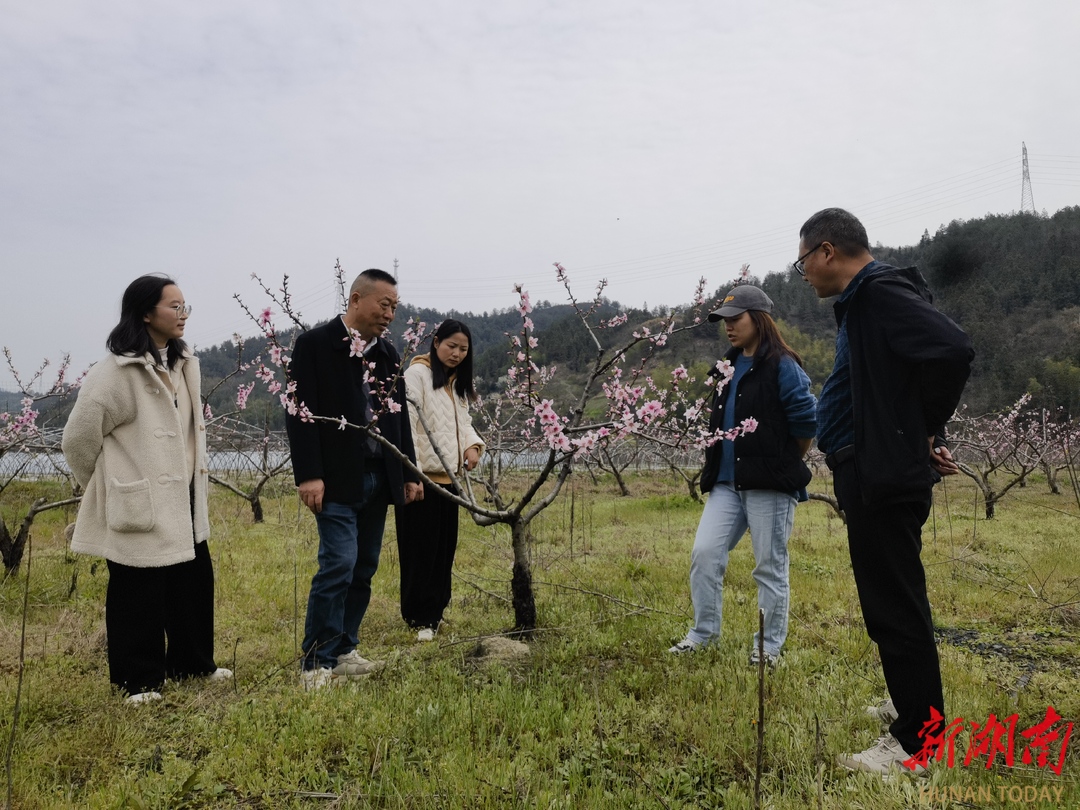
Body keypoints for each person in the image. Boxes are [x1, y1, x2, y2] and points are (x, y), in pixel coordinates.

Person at [795, 208, 973, 775]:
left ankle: (920, 744)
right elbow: (907, 379)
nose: (803, 273)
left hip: (879, 471)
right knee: (893, 603)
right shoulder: (865, 304)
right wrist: (923, 430)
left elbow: (951, 349)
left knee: (894, 608)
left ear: (827, 251)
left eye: (802, 261)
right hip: (872, 467)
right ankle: (914, 710)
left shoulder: (877, 295)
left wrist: (919, 429)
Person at [62, 275, 231, 704]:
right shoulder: (114, 372)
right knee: (137, 592)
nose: (183, 314)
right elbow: (78, 439)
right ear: (144, 313)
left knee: (192, 582)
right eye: (174, 306)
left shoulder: (184, 362)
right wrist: (105, 486)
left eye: (184, 305)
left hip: (186, 494)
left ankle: (193, 663)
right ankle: (137, 681)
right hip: (140, 496)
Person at [286, 268, 422, 690]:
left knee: (364, 565)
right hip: (335, 477)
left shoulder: (388, 354)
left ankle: (344, 648)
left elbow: (399, 422)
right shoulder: (314, 345)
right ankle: (316, 661)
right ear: (356, 298)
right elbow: (298, 414)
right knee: (338, 564)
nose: (390, 314)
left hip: (378, 476)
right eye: (385, 305)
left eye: (395, 308)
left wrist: (409, 472)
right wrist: (309, 475)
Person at [669, 285, 817, 667]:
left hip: (769, 481)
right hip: (726, 483)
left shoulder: (783, 366)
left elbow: (805, 421)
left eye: (736, 319)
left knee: (769, 566)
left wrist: (783, 461)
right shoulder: (726, 366)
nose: (729, 328)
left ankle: (767, 649)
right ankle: (703, 634)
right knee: (705, 554)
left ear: (760, 319)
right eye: (724, 321)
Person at [395, 319, 485, 642]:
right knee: (420, 551)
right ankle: (419, 617)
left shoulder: (456, 383)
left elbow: (463, 422)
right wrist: (413, 474)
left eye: (464, 349)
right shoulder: (416, 375)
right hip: (421, 481)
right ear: (436, 343)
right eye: (452, 346)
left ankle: (436, 613)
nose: (458, 354)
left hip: (450, 482)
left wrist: (473, 445)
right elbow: (406, 425)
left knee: (444, 550)